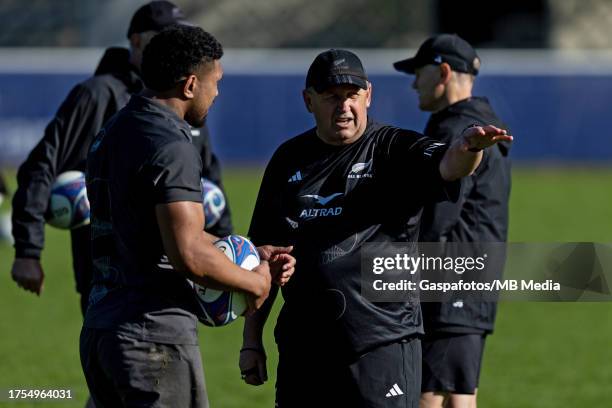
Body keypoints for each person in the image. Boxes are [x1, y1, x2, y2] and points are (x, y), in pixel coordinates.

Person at [239, 48, 512, 408]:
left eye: (352, 96)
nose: (344, 107)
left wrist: (468, 148)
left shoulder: (394, 149)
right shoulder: (287, 160)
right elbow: (264, 257)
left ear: (368, 95)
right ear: (309, 100)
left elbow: (447, 165)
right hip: (304, 349)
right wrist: (251, 340)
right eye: (331, 98)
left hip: (382, 346)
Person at [80, 25, 294, 407]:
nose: (217, 93)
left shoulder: (115, 129)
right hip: (152, 337)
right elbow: (189, 255)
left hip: (102, 329)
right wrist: (255, 283)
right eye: (216, 82)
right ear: (191, 84)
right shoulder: (170, 144)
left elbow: (153, 231)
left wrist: (247, 251)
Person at [10, 0, 233, 314]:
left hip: (173, 270)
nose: (174, 47)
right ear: (137, 41)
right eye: (163, 37)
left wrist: (227, 252)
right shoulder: (98, 95)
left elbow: (209, 185)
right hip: (107, 271)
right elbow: (42, 166)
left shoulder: (185, 101)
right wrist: (28, 251)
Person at [394, 34, 511, 408]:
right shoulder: (476, 125)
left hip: (449, 284)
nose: (414, 82)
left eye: (419, 72)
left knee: (432, 394)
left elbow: (435, 219)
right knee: (455, 395)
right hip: (468, 281)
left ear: (443, 71)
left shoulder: (458, 132)